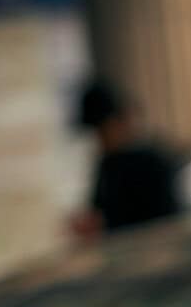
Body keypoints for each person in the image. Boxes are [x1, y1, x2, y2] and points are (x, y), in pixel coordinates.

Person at [71, 80, 182, 237]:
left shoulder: (151, 162)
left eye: (102, 131)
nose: (100, 140)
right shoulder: (107, 166)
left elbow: (166, 220)